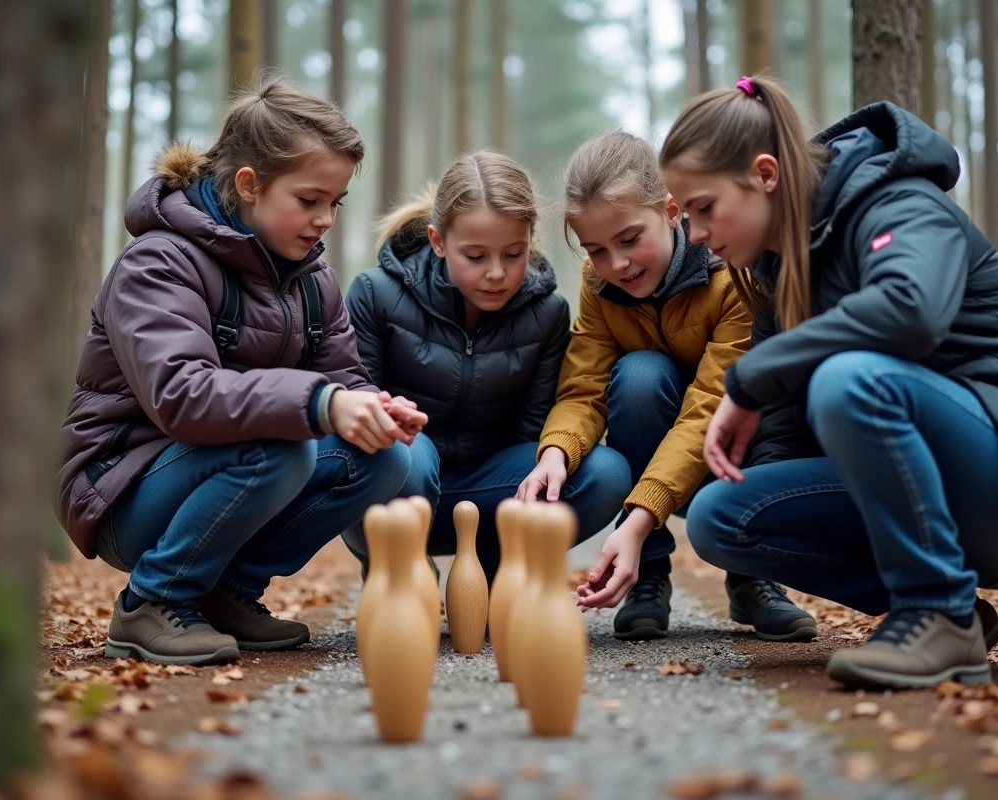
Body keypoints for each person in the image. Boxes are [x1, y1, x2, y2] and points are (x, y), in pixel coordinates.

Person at [672, 75, 998, 689]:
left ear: (765, 174)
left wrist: (751, 379)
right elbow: (784, 433)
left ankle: (937, 609)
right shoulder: (781, 271)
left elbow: (911, 310)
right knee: (721, 515)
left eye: (704, 208)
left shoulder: (896, 200)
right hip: (939, 486)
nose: (696, 235)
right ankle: (952, 617)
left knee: (850, 379)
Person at [56, 77, 423, 666]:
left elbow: (343, 377)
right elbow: (182, 397)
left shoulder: (309, 278)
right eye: (309, 200)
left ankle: (227, 593)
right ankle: (152, 601)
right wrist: (320, 403)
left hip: (222, 469)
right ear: (249, 185)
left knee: (381, 456)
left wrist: (373, 406)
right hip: (126, 486)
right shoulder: (159, 262)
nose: (325, 219)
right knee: (279, 448)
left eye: (336, 202)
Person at [518, 131, 817, 641]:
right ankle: (647, 577)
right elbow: (583, 388)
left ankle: (751, 576)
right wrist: (555, 454)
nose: (618, 265)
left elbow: (709, 406)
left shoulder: (732, 278)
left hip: (741, 448)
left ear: (673, 211)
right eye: (596, 249)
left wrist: (637, 515)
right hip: (658, 439)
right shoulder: (601, 286)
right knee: (639, 376)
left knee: (755, 408)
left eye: (630, 239)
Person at [343, 150, 631, 578]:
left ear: (530, 240)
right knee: (410, 454)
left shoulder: (548, 313)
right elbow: (360, 410)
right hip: (397, 489)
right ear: (438, 241)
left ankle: (506, 564)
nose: (496, 273)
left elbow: (530, 434)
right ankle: (399, 566)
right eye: (475, 257)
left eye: (513, 254)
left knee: (606, 472)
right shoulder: (375, 294)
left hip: (491, 491)